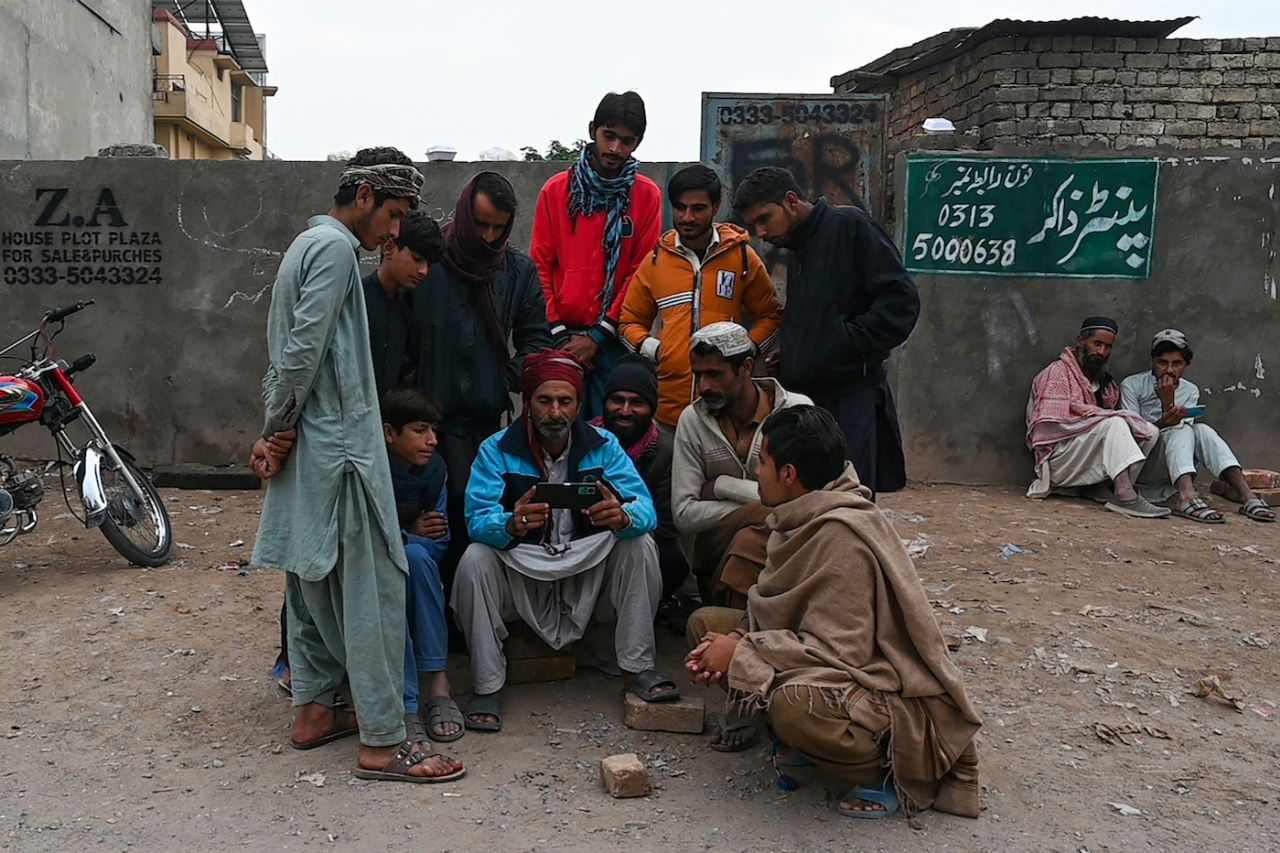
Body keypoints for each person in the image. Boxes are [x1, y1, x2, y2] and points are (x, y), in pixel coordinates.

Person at [250, 147, 464, 783]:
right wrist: (277, 426)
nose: (394, 233)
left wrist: (278, 428)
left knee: (311, 584)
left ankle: (314, 712)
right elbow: (302, 352)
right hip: (339, 453)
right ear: (365, 194)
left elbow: (286, 355)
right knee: (371, 594)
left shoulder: (303, 245)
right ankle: (382, 740)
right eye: (394, 215)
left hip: (311, 452)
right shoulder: (338, 249)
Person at [685, 405, 982, 819]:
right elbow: (773, 608)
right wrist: (738, 639)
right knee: (707, 627)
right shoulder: (801, 514)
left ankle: (880, 772)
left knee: (795, 707)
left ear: (789, 475)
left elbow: (844, 654)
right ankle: (803, 746)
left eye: (764, 463)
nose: (757, 473)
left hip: (874, 684)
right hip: (811, 655)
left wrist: (742, 654)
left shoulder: (842, 535)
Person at [452, 350, 678, 732]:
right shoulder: (496, 449)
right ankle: (487, 686)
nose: (555, 412)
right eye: (544, 401)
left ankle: (637, 671)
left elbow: (646, 509)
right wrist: (510, 523)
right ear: (528, 403)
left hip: (586, 569)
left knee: (639, 543)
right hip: (524, 568)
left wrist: (622, 516)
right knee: (475, 559)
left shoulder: (603, 445)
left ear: (577, 405)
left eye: (565, 402)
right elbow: (476, 519)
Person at [732, 166, 919, 495]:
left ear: (791, 200)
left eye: (764, 219)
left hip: (851, 400)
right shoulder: (799, 246)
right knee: (810, 503)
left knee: (847, 504)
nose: (760, 232)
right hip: (811, 403)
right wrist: (795, 353)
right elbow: (822, 314)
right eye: (752, 225)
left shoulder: (848, 225)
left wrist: (845, 343)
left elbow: (901, 303)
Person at [410, 171, 553, 588]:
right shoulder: (429, 261)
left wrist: (501, 376)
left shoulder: (517, 270)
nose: (489, 236)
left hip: (487, 421)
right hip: (429, 421)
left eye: (499, 227)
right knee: (438, 518)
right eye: (482, 224)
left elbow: (535, 339)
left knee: (484, 513)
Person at [619, 164, 783, 427]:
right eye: (680, 207)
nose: (687, 217)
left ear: (715, 207)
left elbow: (770, 316)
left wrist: (746, 351)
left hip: (727, 410)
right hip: (667, 413)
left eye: (698, 208)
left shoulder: (741, 256)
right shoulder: (656, 260)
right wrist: (658, 351)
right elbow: (628, 321)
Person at [531, 92, 662, 419]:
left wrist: (599, 336)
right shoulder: (556, 190)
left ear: (638, 143)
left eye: (627, 141)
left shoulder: (646, 195)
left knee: (613, 435)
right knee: (556, 429)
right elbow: (540, 266)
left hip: (617, 340)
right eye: (609, 136)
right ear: (593, 130)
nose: (616, 148)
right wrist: (561, 335)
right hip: (559, 336)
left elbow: (640, 273)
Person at [672, 322, 810, 609]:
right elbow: (684, 514)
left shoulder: (795, 411)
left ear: (746, 367)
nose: (704, 386)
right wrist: (767, 509)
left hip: (790, 560)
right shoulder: (693, 419)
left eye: (715, 374)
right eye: (698, 375)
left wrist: (724, 486)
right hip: (716, 563)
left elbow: (808, 503)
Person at [380, 388, 465, 744]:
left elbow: (439, 539)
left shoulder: (436, 472)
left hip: (422, 567)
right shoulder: (372, 471)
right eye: (419, 430)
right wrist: (404, 532)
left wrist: (404, 538)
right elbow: (359, 535)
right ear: (389, 433)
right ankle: (407, 700)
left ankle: (437, 687)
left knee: (416, 559)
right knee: (403, 561)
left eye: (433, 430)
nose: (432, 441)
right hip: (372, 570)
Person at [1120, 329, 1275, 523]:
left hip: (1172, 469)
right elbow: (1132, 436)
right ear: (1153, 361)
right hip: (1142, 466)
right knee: (1181, 428)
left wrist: (1170, 407)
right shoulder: (1132, 385)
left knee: (1202, 430)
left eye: (1177, 363)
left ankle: (1248, 496)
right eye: (1162, 363)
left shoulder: (1189, 390)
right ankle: (1186, 497)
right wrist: (1166, 405)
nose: (1169, 370)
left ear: (1186, 365)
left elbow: (1184, 443)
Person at [1025, 317, 1167, 519]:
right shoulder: (1057, 373)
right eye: (1097, 344)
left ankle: (1104, 487)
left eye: (1108, 347)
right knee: (1115, 423)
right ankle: (1126, 495)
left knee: (1149, 431)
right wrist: (1103, 418)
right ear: (1081, 341)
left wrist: (1104, 418)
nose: (1102, 352)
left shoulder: (1105, 383)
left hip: (1082, 456)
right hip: (1058, 459)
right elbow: (1047, 430)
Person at [593, 355, 689, 597]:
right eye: (617, 400)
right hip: (586, 540)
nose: (625, 411)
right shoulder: (586, 441)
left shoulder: (665, 451)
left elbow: (666, 528)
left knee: (672, 561)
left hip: (639, 541)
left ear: (651, 408)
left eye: (636, 402)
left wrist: (626, 520)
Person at [364, 209, 444, 399]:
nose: (423, 271)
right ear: (389, 247)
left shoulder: (406, 312)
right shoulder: (356, 301)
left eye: (428, 264)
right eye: (417, 259)